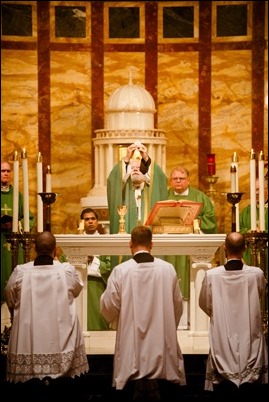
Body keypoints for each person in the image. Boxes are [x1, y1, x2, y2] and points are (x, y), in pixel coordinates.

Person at [100, 225, 186, 402]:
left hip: (131, 340)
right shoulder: (167, 269)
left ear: (130, 244)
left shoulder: (121, 271)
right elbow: (177, 304)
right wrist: (169, 324)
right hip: (161, 340)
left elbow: (108, 306)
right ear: (151, 244)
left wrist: (114, 319)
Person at [4, 231, 89, 385]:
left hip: (28, 337)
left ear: (34, 249)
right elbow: (77, 290)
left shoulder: (21, 271)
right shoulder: (66, 271)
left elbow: (10, 298)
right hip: (60, 338)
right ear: (55, 249)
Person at [199, 232, 268, 400]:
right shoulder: (256, 274)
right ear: (245, 248)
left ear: (224, 248)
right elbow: (259, 294)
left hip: (223, 336)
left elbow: (205, 303)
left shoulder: (212, 276)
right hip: (249, 336)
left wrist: (219, 314)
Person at [166, 166, 217, 308]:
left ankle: (192, 312)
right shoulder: (163, 195)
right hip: (169, 242)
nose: (178, 181)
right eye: (175, 179)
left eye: (181, 179)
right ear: (170, 181)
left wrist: (197, 222)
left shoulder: (199, 196)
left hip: (192, 243)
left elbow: (210, 217)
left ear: (188, 180)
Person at [107, 142, 168, 235]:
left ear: (145, 173)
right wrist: (127, 158)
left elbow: (160, 178)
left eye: (138, 168)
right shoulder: (124, 190)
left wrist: (146, 158)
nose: (135, 169)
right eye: (132, 168)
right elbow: (114, 178)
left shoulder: (150, 188)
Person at [1, 160, 35, 303]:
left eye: (8, 171)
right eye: (3, 171)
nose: (6, 174)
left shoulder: (17, 195)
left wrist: (17, 224)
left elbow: (30, 218)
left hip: (14, 242)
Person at [79, 208, 111, 330]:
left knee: (99, 318)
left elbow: (109, 266)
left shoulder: (104, 242)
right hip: (80, 286)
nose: (90, 222)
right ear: (82, 222)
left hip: (98, 287)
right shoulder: (75, 241)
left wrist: (93, 259)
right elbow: (66, 263)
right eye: (87, 219)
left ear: (97, 221)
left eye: (93, 219)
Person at [239, 175, 268, 266]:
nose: (256, 193)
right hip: (250, 255)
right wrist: (248, 231)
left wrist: (263, 232)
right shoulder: (247, 211)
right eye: (254, 190)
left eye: (258, 189)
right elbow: (238, 230)